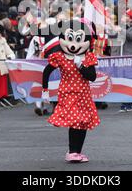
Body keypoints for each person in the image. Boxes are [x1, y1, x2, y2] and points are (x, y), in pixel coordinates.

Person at [42, 19, 99, 163]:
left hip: (84, 95)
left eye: (78, 39)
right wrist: (45, 90)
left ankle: (77, 151)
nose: (73, 44)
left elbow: (92, 77)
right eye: (69, 38)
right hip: (67, 93)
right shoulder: (60, 56)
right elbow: (47, 71)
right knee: (75, 120)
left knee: (83, 122)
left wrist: (81, 66)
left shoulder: (88, 57)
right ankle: (72, 152)